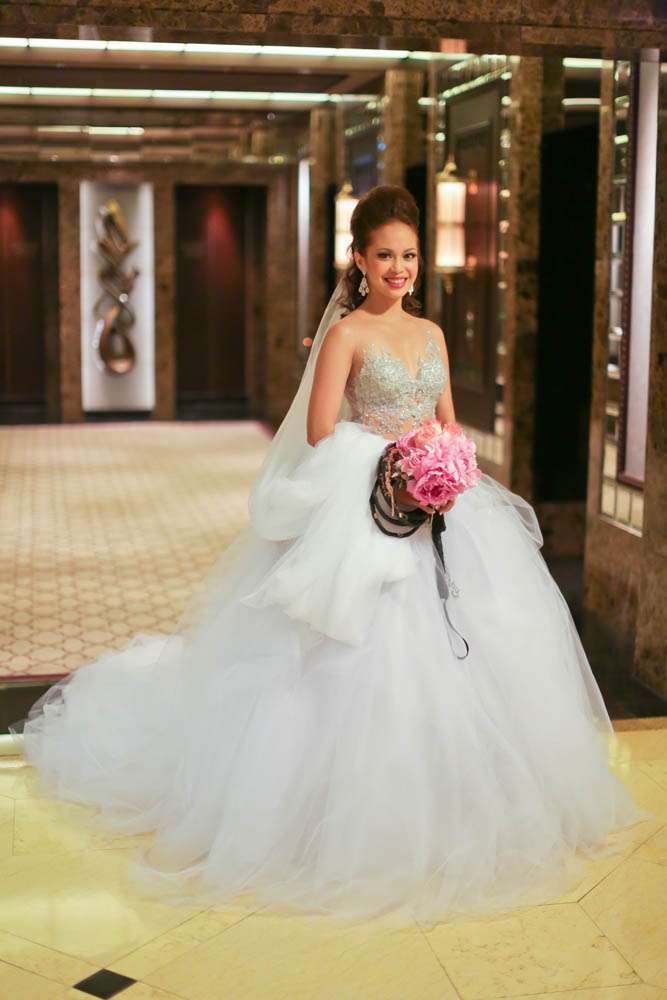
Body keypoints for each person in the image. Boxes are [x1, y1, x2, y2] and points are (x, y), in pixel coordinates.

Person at [8, 184, 649, 928]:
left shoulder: (433, 333)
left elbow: (448, 420)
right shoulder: (345, 335)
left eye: (409, 255)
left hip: (442, 505)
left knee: (476, 646)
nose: (399, 268)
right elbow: (320, 432)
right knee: (347, 661)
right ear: (359, 259)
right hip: (370, 502)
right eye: (385, 256)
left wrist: (446, 464)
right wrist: (397, 466)